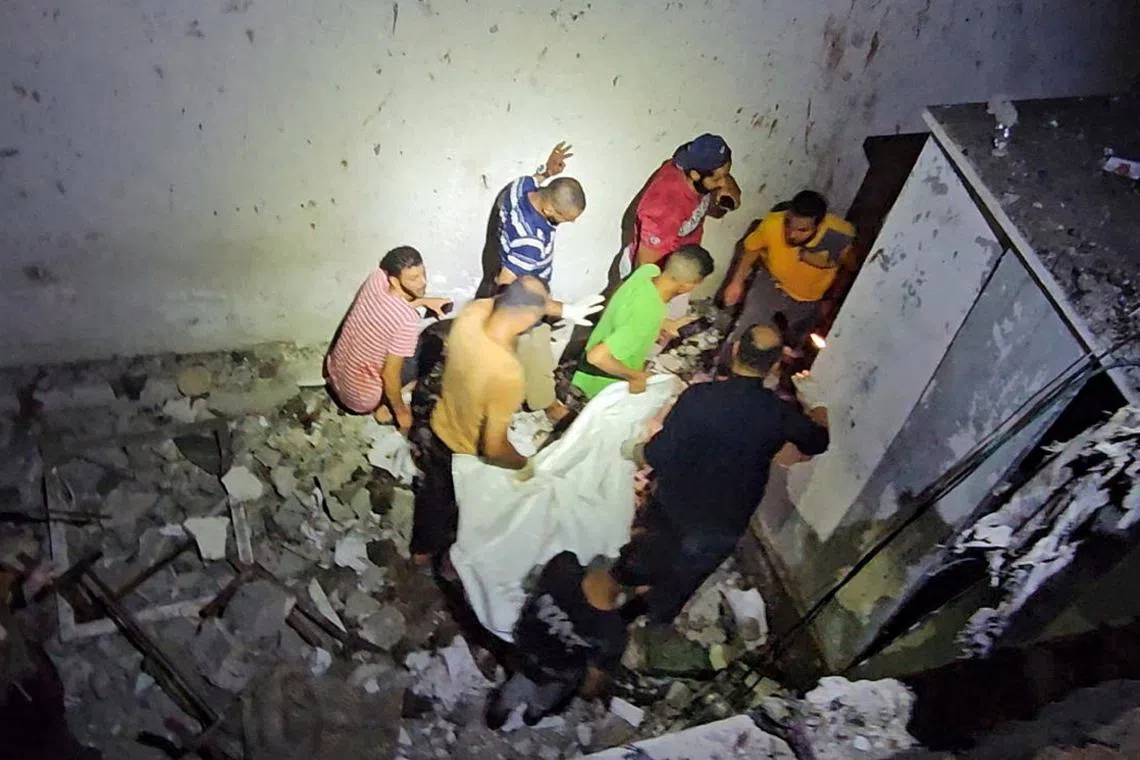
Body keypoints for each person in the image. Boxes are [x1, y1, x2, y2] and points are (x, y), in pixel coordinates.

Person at [613, 324, 830, 628]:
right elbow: (818, 441)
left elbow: (659, 454)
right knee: (683, 578)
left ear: (736, 350)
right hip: (722, 521)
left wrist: (634, 451)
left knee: (650, 554)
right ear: (776, 364)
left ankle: (623, 601)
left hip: (673, 505)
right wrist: (816, 403)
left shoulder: (699, 397)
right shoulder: (777, 414)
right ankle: (653, 618)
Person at [409, 277, 550, 567]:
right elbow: (494, 447)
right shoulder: (507, 373)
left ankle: (420, 553)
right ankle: (452, 564)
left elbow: (512, 300)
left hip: (440, 422)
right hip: (465, 452)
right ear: (528, 318)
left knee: (432, 496)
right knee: (468, 511)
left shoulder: (473, 314)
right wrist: (523, 464)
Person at [494, 142, 602, 422]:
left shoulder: (519, 188)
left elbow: (535, 181)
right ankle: (546, 403)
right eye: (567, 219)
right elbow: (507, 288)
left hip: (525, 275)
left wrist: (547, 171)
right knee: (536, 348)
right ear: (551, 211)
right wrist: (566, 310)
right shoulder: (530, 242)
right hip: (521, 298)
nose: (571, 223)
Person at [485, 551, 644, 728]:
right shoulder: (613, 635)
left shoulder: (562, 568)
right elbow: (590, 687)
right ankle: (533, 716)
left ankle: (498, 714)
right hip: (556, 674)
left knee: (512, 692)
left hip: (525, 655)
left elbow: (530, 584)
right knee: (543, 701)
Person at [324, 246, 451, 431]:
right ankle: (384, 409)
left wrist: (423, 301)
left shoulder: (376, 278)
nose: (422, 282)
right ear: (394, 279)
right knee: (429, 348)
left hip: (335, 373)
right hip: (361, 399)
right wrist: (402, 415)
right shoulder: (407, 320)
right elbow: (390, 375)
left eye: (423, 274)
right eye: (413, 278)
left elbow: (389, 305)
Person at [571, 245, 715, 403]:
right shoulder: (649, 315)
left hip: (584, 370)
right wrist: (637, 377)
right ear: (688, 285)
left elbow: (631, 309)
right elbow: (597, 357)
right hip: (601, 389)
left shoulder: (647, 271)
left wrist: (664, 324)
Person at [720, 190, 856, 353]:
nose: (792, 234)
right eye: (789, 225)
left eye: (802, 230)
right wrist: (737, 281)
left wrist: (829, 263)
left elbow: (853, 265)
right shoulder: (773, 223)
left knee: (783, 348)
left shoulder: (838, 232)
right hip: (772, 284)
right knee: (746, 333)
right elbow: (751, 249)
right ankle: (723, 370)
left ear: (819, 225)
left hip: (807, 301)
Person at [621, 133, 739, 279]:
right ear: (695, 175)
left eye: (726, 175)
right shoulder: (664, 208)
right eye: (718, 179)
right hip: (656, 274)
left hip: (681, 263)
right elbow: (645, 270)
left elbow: (728, 196)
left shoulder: (699, 174)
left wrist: (728, 199)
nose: (723, 183)